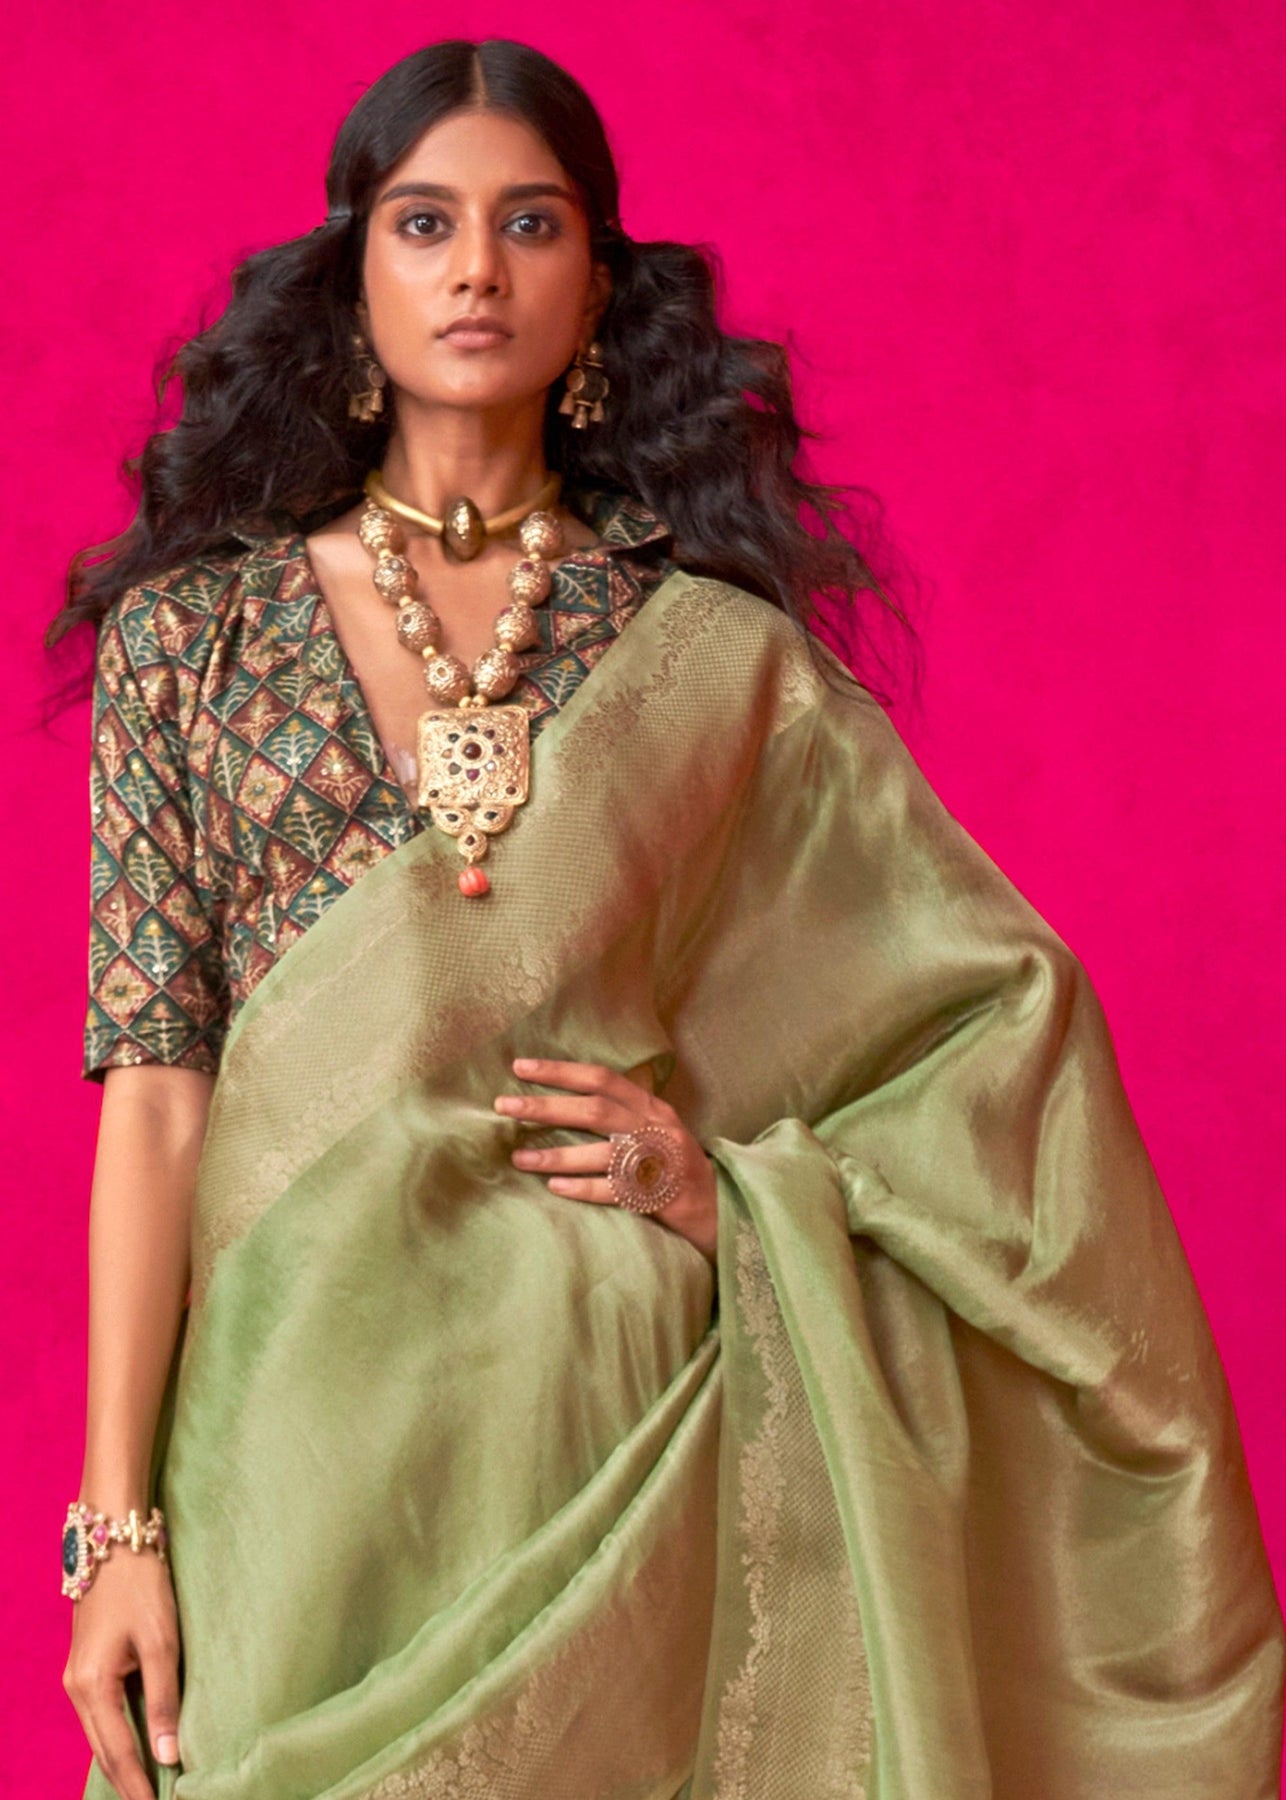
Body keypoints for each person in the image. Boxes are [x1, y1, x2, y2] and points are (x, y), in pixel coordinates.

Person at [46, 35, 1284, 1800]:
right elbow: (158, 1091)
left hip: (608, 1432)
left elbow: (988, 1019)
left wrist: (737, 1201)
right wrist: (118, 1531)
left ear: (597, 291)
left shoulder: (712, 657)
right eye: (424, 223)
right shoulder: (193, 640)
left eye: (530, 223)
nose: (477, 269)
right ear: (351, 280)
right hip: (285, 1438)